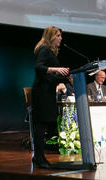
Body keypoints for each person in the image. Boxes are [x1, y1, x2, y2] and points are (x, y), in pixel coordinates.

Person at [31, 26, 69, 169]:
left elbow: (49, 74)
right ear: (51, 36)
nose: (61, 38)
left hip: (47, 91)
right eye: (58, 35)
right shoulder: (45, 49)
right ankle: (38, 158)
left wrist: (63, 76)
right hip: (42, 92)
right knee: (41, 125)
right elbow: (38, 68)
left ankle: (39, 157)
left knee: (43, 125)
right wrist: (57, 69)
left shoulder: (49, 51)